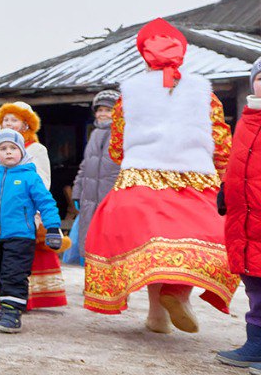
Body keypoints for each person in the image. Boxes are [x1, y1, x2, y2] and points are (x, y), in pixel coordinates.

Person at [83, 19, 237, 332]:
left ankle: (157, 315)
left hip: (141, 180)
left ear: (144, 55)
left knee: (155, 246)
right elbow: (221, 142)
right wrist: (221, 176)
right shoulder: (204, 95)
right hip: (194, 179)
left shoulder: (129, 96)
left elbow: (117, 147)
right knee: (196, 240)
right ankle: (177, 293)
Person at [0, 130, 64, 333]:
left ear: (22, 152)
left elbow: (46, 203)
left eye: (13, 148)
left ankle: (13, 313)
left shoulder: (30, 177)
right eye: (3, 148)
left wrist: (53, 228)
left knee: (14, 274)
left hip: (20, 236)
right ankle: (5, 308)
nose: (8, 152)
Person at [218, 57, 261, 370]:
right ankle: (256, 344)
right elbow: (237, 161)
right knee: (255, 284)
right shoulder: (247, 118)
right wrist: (226, 188)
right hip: (245, 217)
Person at [63, 90, 121, 266]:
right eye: (100, 110)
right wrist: (77, 192)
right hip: (89, 197)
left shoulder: (122, 134)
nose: (103, 114)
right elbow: (85, 166)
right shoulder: (94, 134)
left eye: (108, 110)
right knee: (88, 241)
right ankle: (91, 276)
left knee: (111, 243)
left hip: (111, 196)